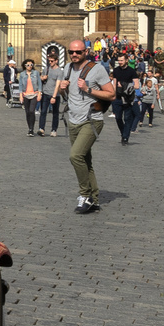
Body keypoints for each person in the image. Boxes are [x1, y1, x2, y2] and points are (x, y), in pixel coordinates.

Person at [63, 37, 114, 215]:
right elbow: (68, 94)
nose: (74, 54)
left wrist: (88, 89)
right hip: (73, 120)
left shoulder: (97, 69)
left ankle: (85, 195)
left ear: (86, 52)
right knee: (85, 160)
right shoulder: (68, 68)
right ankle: (95, 198)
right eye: (71, 52)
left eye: (78, 51)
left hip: (92, 120)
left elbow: (111, 94)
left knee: (75, 156)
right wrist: (63, 88)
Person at [112, 58, 140, 143]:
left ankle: (125, 137)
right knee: (118, 117)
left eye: (122, 60)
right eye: (119, 60)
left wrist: (125, 86)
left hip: (128, 98)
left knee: (128, 118)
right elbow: (114, 83)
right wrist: (113, 94)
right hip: (117, 97)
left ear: (126, 60)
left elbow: (137, 85)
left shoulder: (131, 71)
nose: (120, 62)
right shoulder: (116, 70)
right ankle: (123, 132)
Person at [18, 59, 43, 135]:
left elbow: (39, 83)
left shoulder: (36, 73)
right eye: (28, 65)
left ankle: (31, 129)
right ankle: (30, 128)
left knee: (32, 111)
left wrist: (39, 93)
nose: (30, 66)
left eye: (31, 65)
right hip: (25, 95)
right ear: (25, 66)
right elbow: (20, 85)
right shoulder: (22, 74)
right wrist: (20, 96)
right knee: (27, 112)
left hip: (34, 94)